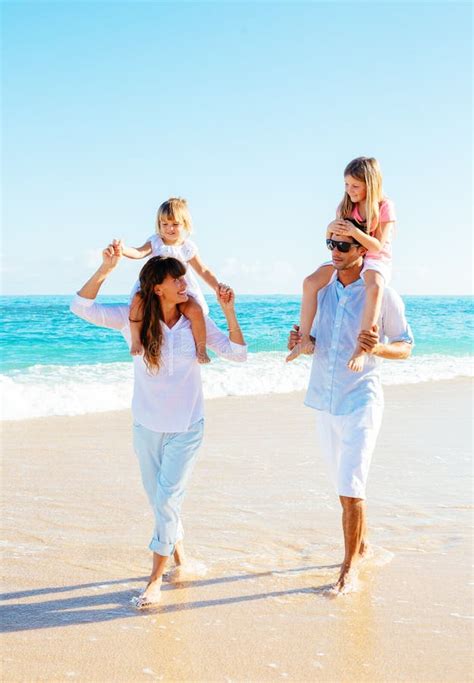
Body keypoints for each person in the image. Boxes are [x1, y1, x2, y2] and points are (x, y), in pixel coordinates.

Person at [70, 241, 247, 607]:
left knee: (166, 500)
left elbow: (238, 355)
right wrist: (106, 269)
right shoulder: (131, 318)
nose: (186, 285)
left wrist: (229, 313)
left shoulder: (195, 320)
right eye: (177, 280)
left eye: (185, 279)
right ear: (157, 288)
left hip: (186, 427)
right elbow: (80, 307)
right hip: (146, 426)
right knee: (160, 502)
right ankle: (180, 558)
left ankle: (154, 581)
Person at [287, 225, 413, 594]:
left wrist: (376, 348)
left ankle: (348, 567)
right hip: (324, 403)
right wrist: (301, 341)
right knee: (346, 486)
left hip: (361, 399)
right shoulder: (322, 291)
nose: (334, 250)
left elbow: (405, 347)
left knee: (351, 487)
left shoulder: (382, 294)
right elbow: (314, 345)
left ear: (363, 249)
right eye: (330, 243)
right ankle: (364, 546)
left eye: (343, 244)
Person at [286, 157, 396, 372]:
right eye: (346, 185)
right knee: (310, 282)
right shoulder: (346, 205)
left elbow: (376, 246)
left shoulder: (384, 206)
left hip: (375, 258)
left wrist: (355, 232)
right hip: (349, 253)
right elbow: (334, 238)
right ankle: (304, 339)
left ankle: (362, 349)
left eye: (355, 186)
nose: (350, 190)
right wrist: (329, 228)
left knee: (374, 287)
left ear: (370, 184)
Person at [118, 197, 229, 364]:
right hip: (156, 287)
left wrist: (217, 286)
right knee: (137, 301)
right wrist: (123, 250)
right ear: (159, 225)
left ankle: (201, 349)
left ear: (184, 224)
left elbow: (203, 270)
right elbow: (139, 252)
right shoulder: (155, 242)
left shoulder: (187, 247)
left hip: (179, 291)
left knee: (195, 310)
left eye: (175, 224)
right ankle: (135, 339)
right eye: (165, 224)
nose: (169, 228)